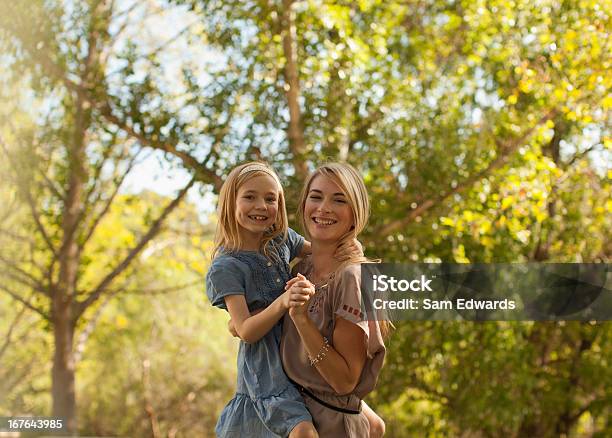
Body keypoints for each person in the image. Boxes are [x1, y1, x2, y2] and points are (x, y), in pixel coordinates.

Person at [206, 162, 358, 437]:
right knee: (303, 432)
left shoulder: (280, 241)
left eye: (270, 198)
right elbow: (246, 331)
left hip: (297, 354)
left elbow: (321, 252)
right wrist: (283, 302)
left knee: (370, 423)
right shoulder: (226, 267)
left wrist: (348, 246)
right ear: (231, 201)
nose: (261, 206)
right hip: (266, 368)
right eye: (250, 197)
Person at [280, 163, 388, 437]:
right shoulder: (300, 269)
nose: (324, 208)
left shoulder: (353, 279)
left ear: (355, 215)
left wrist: (302, 319)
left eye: (339, 200)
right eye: (316, 197)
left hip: (330, 429)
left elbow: (343, 382)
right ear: (304, 205)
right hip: (290, 418)